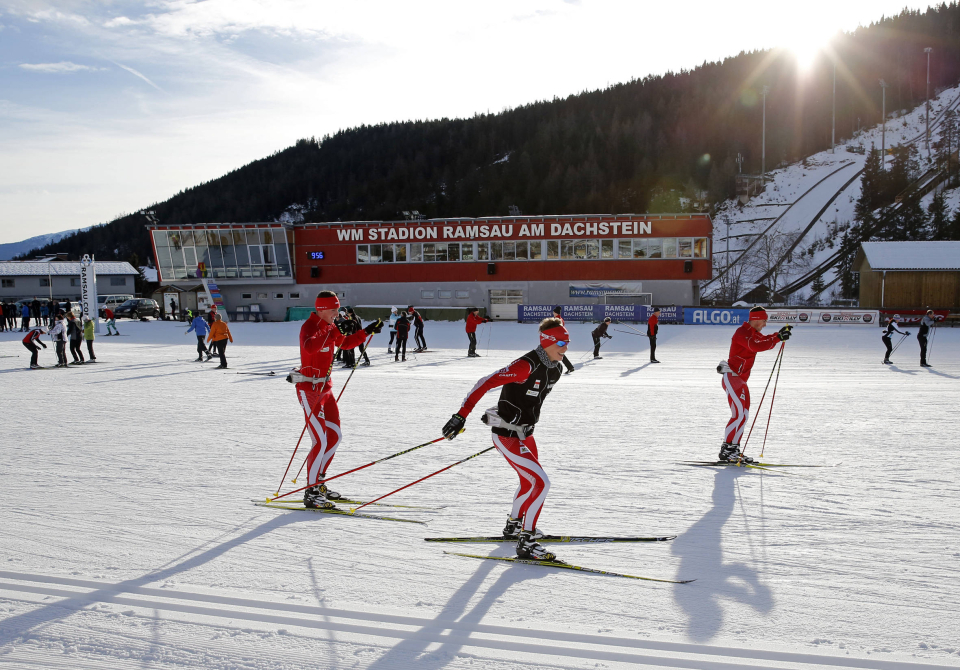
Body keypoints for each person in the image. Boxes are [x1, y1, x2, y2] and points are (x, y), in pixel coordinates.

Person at [441, 317, 570, 561]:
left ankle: (514, 526)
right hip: (506, 435)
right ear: (547, 342)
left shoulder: (556, 368)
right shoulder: (525, 365)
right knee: (541, 483)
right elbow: (485, 383)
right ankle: (527, 542)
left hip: (526, 433)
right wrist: (461, 416)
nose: (566, 347)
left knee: (528, 481)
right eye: (562, 342)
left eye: (567, 342)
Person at [292, 291, 382, 508]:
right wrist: (333, 331)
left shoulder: (331, 326)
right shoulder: (310, 327)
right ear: (322, 309)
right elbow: (310, 347)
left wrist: (366, 332)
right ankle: (311, 492)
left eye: (338, 309)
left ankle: (319, 482)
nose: (337, 313)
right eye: (333, 310)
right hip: (309, 389)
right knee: (320, 441)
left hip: (326, 389)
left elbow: (345, 344)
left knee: (334, 436)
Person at [717, 306, 792, 463]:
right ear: (757, 319)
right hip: (732, 377)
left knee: (743, 416)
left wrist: (778, 335)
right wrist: (777, 338)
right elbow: (756, 346)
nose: (765, 324)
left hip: (741, 380)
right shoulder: (742, 332)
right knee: (738, 415)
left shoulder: (754, 334)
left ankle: (734, 450)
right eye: (764, 321)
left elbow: (763, 340)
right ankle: (727, 450)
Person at [551, 306, 575, 374]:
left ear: (556, 312)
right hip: (559, 338)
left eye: (554, 312)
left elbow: (557, 330)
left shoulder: (558, 320)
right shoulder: (558, 319)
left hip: (558, 339)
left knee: (555, 353)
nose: (553, 313)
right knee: (558, 353)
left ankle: (554, 370)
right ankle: (570, 367)